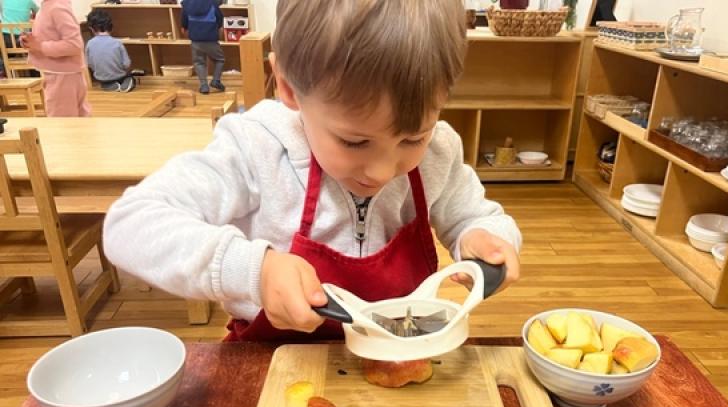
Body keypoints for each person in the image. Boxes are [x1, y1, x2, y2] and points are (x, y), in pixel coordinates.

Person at [103, 0, 522, 342]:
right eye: (354, 141)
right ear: (287, 87)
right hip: (268, 372)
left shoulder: (440, 152)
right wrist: (254, 270)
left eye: (413, 138)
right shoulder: (256, 148)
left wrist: (486, 239)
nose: (380, 171)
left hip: (401, 357)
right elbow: (130, 223)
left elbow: (476, 217)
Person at [20, 0, 90, 117]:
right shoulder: (48, 6)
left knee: (62, 125)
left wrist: (40, 46)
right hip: (59, 74)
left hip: (63, 76)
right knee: (77, 122)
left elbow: (74, 44)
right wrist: (31, 43)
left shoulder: (56, 7)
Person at [85, 9, 134, 92]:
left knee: (105, 82)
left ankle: (108, 86)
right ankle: (126, 82)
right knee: (129, 76)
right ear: (111, 26)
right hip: (119, 76)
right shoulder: (117, 43)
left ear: (91, 29)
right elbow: (127, 64)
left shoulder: (89, 44)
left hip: (101, 78)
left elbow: (89, 64)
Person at [180, 0, 224, 94]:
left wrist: (188, 32)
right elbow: (219, 20)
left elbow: (184, 24)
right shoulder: (212, 3)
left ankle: (204, 86)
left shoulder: (187, 4)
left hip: (196, 40)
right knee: (220, 60)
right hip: (211, 39)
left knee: (199, 62)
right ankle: (216, 80)